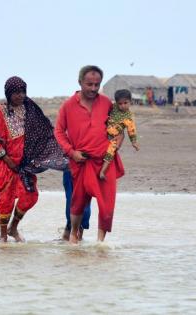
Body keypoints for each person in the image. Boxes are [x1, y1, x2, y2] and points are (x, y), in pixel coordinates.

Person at [0, 76, 67, 242]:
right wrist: (7, 160)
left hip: (24, 162)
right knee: (6, 199)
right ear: (8, 93)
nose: (20, 95)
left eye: (23, 92)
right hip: (4, 162)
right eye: (16, 92)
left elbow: (44, 128)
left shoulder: (30, 108)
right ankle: (2, 237)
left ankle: (13, 227)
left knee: (30, 196)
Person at [54, 65, 125, 244]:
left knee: (107, 206)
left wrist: (115, 145)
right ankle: (73, 237)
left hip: (104, 162)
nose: (93, 88)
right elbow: (59, 132)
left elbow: (120, 128)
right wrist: (71, 152)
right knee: (78, 204)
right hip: (80, 161)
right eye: (89, 84)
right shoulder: (68, 105)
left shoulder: (107, 103)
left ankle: (100, 244)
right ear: (80, 83)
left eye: (97, 84)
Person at [99, 89, 139, 180]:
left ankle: (102, 171)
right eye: (120, 104)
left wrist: (134, 142)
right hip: (103, 132)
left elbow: (131, 131)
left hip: (115, 138)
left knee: (110, 152)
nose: (123, 106)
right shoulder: (113, 108)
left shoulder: (129, 117)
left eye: (125, 103)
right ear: (116, 103)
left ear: (130, 102)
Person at [62, 168, 91, 241]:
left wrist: (103, 168)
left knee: (77, 200)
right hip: (75, 167)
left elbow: (111, 155)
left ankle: (70, 234)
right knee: (82, 200)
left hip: (83, 167)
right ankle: (75, 235)